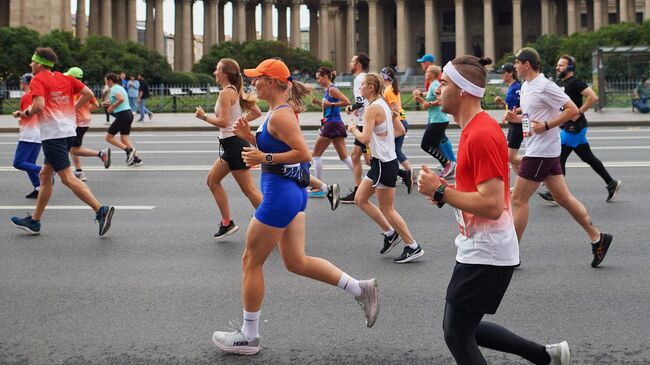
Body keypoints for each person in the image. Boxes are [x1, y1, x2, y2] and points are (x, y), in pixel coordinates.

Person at [210, 59, 379, 355]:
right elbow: (276, 145)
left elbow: (302, 154)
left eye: (259, 78)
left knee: (251, 261)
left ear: (274, 82)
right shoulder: (278, 112)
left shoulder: (281, 116)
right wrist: (251, 139)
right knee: (296, 261)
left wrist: (264, 159)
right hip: (292, 194)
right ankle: (360, 289)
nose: (253, 83)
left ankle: (249, 336)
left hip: (280, 196)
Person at [418, 54, 570, 365]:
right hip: (480, 245)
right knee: (463, 329)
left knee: (456, 334)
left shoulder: (481, 134)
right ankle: (546, 357)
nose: (437, 90)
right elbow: (479, 194)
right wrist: (440, 193)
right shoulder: (475, 128)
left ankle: (545, 357)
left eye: (443, 84)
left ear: (461, 91)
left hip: (487, 250)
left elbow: (490, 204)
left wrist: (442, 190)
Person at [506, 47, 613, 268]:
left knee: (518, 200)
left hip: (541, 153)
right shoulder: (526, 87)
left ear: (526, 64)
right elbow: (530, 119)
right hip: (543, 150)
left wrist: (546, 126)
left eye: (516, 62)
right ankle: (597, 237)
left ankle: (511, 254)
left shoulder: (545, 86)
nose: (514, 66)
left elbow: (572, 110)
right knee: (563, 198)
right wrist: (517, 121)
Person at [10, 47, 114, 237]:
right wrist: (73, 108)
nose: (30, 65)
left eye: (32, 62)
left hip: (53, 134)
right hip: (67, 131)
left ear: (39, 64)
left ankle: (101, 210)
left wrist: (25, 113)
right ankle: (34, 221)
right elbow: (89, 94)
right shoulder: (65, 78)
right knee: (45, 176)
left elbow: (39, 106)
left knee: (67, 177)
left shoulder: (38, 79)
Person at [348, 73, 423, 264]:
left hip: (383, 163)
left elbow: (363, 138)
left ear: (371, 87)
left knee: (387, 208)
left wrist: (353, 129)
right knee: (360, 199)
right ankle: (390, 233)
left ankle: (413, 246)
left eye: (363, 85)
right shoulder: (383, 104)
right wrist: (382, 138)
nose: (360, 88)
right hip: (381, 162)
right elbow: (400, 130)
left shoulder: (373, 108)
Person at [194, 58, 263, 239]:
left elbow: (224, 121)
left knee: (249, 190)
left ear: (225, 74)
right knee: (212, 180)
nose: (214, 73)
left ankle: (275, 222)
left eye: (217, 70)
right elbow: (256, 113)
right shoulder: (235, 90)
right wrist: (238, 123)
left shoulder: (226, 93)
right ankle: (227, 223)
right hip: (231, 144)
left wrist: (204, 117)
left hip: (234, 144)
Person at [537, 55, 622, 203]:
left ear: (570, 68)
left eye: (561, 65)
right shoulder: (557, 83)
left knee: (559, 157)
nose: (557, 67)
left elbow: (592, 97)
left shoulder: (576, 83)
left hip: (575, 127)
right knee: (588, 157)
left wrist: (579, 112)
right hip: (568, 127)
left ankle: (556, 193)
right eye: (557, 65)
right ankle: (611, 183)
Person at [308, 66, 353, 198]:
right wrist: (318, 103)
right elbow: (328, 106)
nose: (317, 81)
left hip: (331, 124)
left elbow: (347, 102)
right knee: (344, 156)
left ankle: (318, 187)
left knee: (316, 154)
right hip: (335, 123)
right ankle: (361, 179)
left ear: (325, 77)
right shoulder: (328, 90)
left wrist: (331, 105)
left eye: (318, 78)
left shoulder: (332, 89)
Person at [64, 67, 111, 182]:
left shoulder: (73, 90)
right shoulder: (86, 89)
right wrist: (85, 111)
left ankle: (101, 154)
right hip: (85, 121)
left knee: (72, 149)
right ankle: (79, 171)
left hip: (77, 122)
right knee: (74, 148)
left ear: (72, 78)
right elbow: (95, 105)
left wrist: (77, 110)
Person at [414, 65, 456, 177]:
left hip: (438, 120)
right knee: (434, 144)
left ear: (433, 74)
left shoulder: (435, 85)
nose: (425, 73)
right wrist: (421, 95)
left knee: (425, 145)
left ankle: (448, 163)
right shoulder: (433, 85)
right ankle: (448, 165)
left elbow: (440, 97)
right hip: (438, 119)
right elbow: (430, 94)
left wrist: (428, 103)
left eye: (428, 72)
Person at [340, 53, 370, 204]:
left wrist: (350, 107)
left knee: (359, 157)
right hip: (364, 120)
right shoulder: (366, 77)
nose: (350, 64)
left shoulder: (359, 79)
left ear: (358, 64)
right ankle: (359, 188)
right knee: (361, 158)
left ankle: (359, 190)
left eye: (352, 62)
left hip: (365, 123)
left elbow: (360, 102)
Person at [380, 67, 415, 193]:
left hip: (397, 123)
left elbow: (395, 109)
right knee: (395, 150)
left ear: (384, 77)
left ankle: (406, 173)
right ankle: (407, 172)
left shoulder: (388, 91)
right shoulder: (391, 89)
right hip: (401, 121)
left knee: (392, 150)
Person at [11, 73, 42, 199]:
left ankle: (44, 170)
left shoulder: (26, 97)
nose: (20, 83)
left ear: (25, 82)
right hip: (38, 134)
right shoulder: (37, 96)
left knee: (18, 163)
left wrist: (18, 114)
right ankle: (38, 187)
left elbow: (26, 114)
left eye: (21, 81)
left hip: (28, 135)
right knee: (29, 163)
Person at [103, 73, 143, 166]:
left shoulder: (113, 89)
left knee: (108, 137)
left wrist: (111, 107)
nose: (106, 83)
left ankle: (128, 150)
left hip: (122, 115)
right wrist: (106, 104)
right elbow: (119, 99)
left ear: (109, 80)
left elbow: (120, 99)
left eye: (106, 81)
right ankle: (136, 159)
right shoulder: (120, 87)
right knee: (124, 139)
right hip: (128, 114)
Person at [493, 63, 523, 175]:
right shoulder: (512, 87)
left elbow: (525, 106)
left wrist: (513, 113)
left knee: (510, 156)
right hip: (513, 124)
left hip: (519, 124)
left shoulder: (517, 88)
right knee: (511, 157)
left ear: (511, 73)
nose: (501, 75)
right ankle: (521, 182)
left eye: (503, 73)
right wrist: (501, 103)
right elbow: (510, 107)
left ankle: (539, 166)